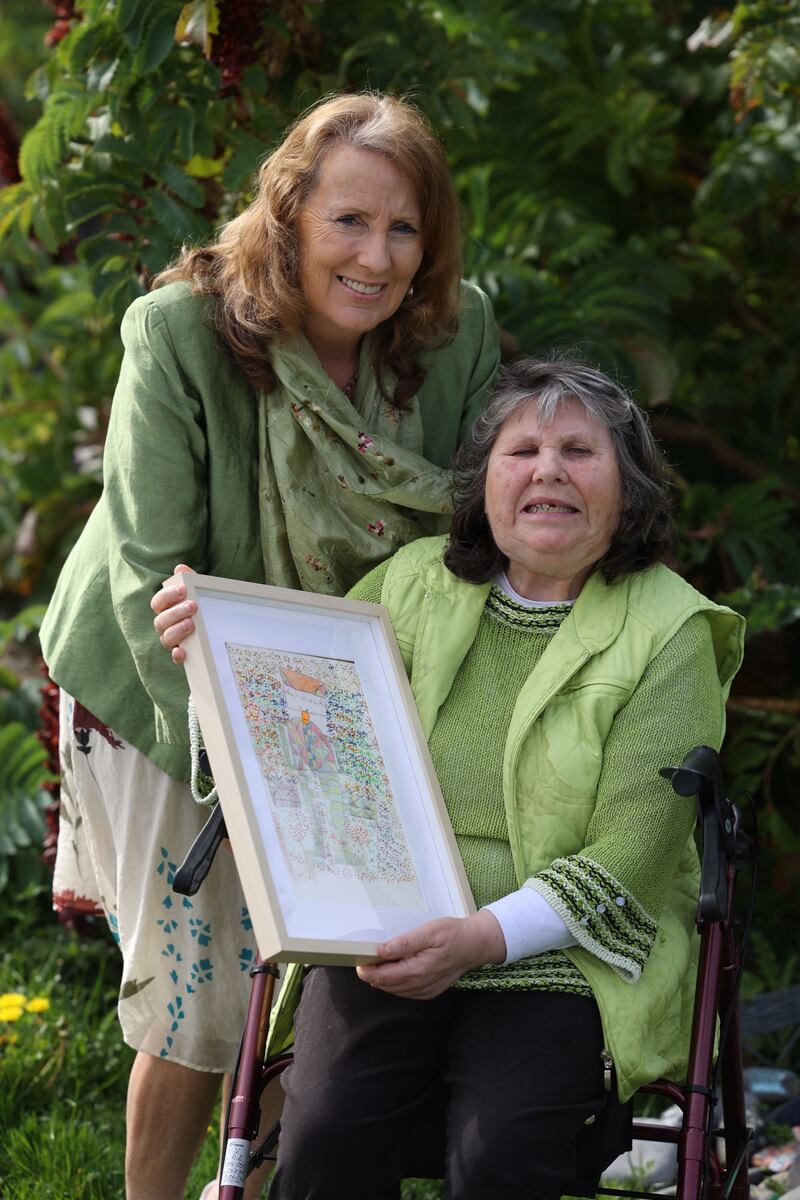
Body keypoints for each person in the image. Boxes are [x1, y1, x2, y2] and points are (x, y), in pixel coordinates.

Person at [39, 91, 499, 1200]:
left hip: (349, 698)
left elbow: (474, 540)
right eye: (348, 221)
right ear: (289, 215)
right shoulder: (179, 332)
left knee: (324, 987)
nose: (376, 257)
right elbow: (149, 568)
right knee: (203, 1002)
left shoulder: (459, 333)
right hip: (164, 684)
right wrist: (240, 773)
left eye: (403, 229)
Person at [159, 355, 745, 1199]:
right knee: (322, 1137)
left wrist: (479, 938)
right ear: (484, 481)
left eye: (579, 452)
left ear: (630, 488)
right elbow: (301, 743)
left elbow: (636, 851)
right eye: (523, 451)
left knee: (498, 1155)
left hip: (561, 958)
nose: (548, 471)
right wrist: (208, 657)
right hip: (383, 935)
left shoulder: (671, 629)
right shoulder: (411, 584)